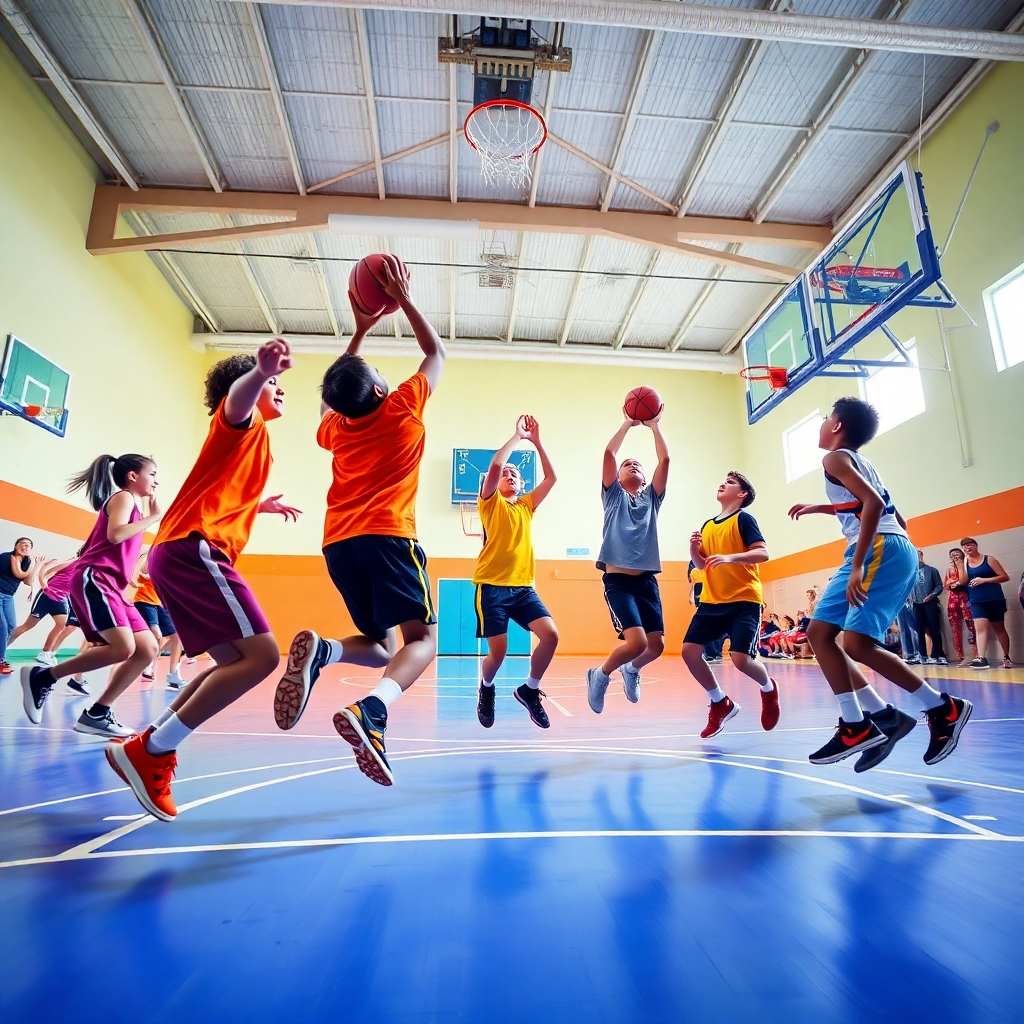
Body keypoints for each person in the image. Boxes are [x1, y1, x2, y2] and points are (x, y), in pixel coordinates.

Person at [107, 339, 300, 821]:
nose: (278, 389)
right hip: (196, 551)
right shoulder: (240, 421)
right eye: (272, 384)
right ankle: (151, 749)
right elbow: (237, 401)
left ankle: (152, 746)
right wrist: (257, 372)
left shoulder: (254, 442)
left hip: (180, 552)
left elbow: (216, 491)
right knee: (263, 657)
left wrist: (259, 506)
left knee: (232, 660)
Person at [273, 256, 444, 788]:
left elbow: (332, 401)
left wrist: (362, 329)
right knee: (423, 640)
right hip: (389, 536)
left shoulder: (337, 431)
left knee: (382, 645)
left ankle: (325, 652)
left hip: (338, 545)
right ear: (377, 392)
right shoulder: (402, 410)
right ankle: (373, 711)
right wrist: (404, 298)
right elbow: (436, 352)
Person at [789, 397, 972, 770]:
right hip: (890, 545)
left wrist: (859, 564)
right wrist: (823, 508)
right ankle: (867, 721)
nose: (822, 423)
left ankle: (941, 707)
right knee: (820, 634)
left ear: (837, 426)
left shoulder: (834, 458)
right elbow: (894, 515)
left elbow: (872, 504)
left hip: (875, 549)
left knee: (855, 643)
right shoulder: (860, 462)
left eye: (826, 416)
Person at [21, 457, 163, 736]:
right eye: (153, 474)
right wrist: (153, 517)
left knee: (148, 648)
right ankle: (42, 677)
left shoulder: (129, 504)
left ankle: (97, 713)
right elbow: (114, 535)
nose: (157, 481)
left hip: (113, 586)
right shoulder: (124, 497)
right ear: (133, 476)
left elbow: (97, 543)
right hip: (97, 579)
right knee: (123, 648)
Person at [471, 415, 558, 729]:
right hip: (491, 587)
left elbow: (551, 478)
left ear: (522, 485)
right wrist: (517, 437)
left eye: (515, 473)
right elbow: (495, 467)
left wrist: (537, 442)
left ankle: (530, 690)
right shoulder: (491, 503)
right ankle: (487, 688)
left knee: (550, 636)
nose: (508, 474)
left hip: (523, 588)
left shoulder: (525, 506)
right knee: (500, 652)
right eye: (506, 473)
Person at [683, 471, 779, 738]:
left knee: (740, 660)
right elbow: (704, 565)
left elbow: (763, 553)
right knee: (690, 651)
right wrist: (693, 551)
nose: (723, 483)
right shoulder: (708, 525)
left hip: (744, 600)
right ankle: (719, 701)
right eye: (723, 480)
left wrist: (730, 557)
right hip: (713, 601)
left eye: (731, 482)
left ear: (742, 494)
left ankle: (769, 689)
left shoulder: (744, 519)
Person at [585, 409, 670, 713]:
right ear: (617, 478)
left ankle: (631, 669)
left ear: (645, 479)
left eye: (637, 464)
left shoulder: (651, 499)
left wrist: (655, 427)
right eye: (626, 465)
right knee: (636, 643)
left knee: (656, 646)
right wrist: (628, 424)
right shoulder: (613, 497)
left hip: (646, 581)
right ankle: (600, 674)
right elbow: (609, 452)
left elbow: (665, 461)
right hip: (618, 581)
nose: (631, 465)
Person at [5, 557, 85, 690]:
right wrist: (44, 586)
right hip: (47, 595)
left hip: (61, 599)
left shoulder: (88, 570)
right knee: (28, 626)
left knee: (61, 624)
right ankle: (3, 647)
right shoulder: (72, 562)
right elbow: (46, 573)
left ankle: (45, 653)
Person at [131, 556, 187, 689]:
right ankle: (147, 667)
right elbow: (135, 570)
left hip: (159, 603)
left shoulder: (168, 560)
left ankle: (173, 675)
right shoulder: (146, 556)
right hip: (144, 600)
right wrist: (142, 576)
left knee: (178, 637)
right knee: (156, 634)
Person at [958, 537, 1012, 668]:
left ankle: (1006, 657)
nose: (967, 548)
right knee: (980, 629)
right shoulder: (964, 562)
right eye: (964, 546)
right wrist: (960, 566)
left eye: (970, 545)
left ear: (975, 546)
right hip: (976, 600)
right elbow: (963, 582)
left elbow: (1005, 576)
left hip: (994, 598)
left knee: (999, 628)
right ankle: (981, 658)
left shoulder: (989, 559)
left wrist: (984, 580)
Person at [0, 537, 39, 675]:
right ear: (16, 546)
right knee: (2, 627)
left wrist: (35, 564)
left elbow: (28, 581)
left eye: (29, 545)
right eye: (23, 544)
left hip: (8, 596)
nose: (26, 547)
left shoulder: (26, 562)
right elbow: (19, 574)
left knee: (11, 626)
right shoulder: (6, 557)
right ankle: (0, 660)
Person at [911, 550, 947, 664]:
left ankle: (938, 655)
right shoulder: (910, 572)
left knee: (934, 628)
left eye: (918, 555)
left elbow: (939, 586)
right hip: (916, 604)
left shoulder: (932, 570)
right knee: (919, 630)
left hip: (930, 603)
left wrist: (932, 595)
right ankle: (922, 655)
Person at [944, 548, 977, 666]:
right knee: (955, 629)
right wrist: (952, 583)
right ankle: (960, 657)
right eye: (952, 556)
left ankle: (976, 656)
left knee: (972, 627)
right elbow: (947, 586)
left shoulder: (967, 567)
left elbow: (963, 582)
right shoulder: (949, 571)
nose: (955, 557)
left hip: (965, 600)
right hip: (953, 601)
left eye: (957, 555)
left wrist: (955, 582)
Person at [687, 561, 724, 662]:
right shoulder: (694, 569)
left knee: (709, 626)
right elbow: (693, 583)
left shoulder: (708, 565)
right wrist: (691, 596)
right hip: (702, 597)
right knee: (707, 626)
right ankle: (712, 652)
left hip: (709, 596)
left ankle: (713, 652)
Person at [897, 594, 921, 664]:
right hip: (901, 603)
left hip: (908, 602)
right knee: (904, 630)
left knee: (912, 629)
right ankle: (908, 654)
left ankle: (915, 654)